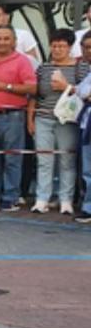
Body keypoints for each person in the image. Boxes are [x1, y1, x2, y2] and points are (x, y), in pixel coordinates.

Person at [0, 27, 37, 212]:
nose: (1, 42)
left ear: (14, 41)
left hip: (12, 116)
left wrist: (6, 86)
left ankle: (10, 196)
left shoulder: (22, 61)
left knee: (12, 159)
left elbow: (32, 89)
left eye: (6, 39)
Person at [29, 29, 88, 215]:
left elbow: (83, 94)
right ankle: (42, 199)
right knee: (44, 160)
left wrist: (66, 87)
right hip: (43, 117)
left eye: (62, 46)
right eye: (54, 46)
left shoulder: (81, 68)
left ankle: (66, 199)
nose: (57, 50)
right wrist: (30, 119)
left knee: (67, 160)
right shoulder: (43, 67)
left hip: (67, 120)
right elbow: (34, 95)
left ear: (70, 47)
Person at [74, 34, 91, 223]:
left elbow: (84, 93)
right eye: (85, 47)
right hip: (87, 123)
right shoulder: (88, 72)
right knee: (88, 170)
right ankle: (88, 207)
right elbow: (82, 92)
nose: (88, 51)